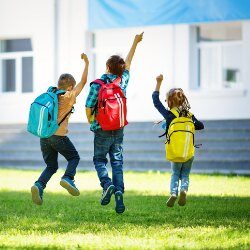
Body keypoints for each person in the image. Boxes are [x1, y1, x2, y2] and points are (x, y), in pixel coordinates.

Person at [85, 32, 144, 213]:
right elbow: (129, 63)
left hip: (101, 128)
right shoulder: (122, 82)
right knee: (117, 162)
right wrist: (135, 42)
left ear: (107, 67)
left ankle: (107, 184)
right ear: (120, 69)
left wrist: (91, 121)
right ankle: (119, 193)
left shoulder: (97, 84)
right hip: (118, 128)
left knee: (99, 160)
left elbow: (89, 106)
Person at [31, 53, 89, 205]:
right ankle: (68, 178)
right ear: (70, 87)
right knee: (74, 158)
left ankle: (39, 185)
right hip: (59, 136)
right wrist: (87, 63)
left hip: (44, 136)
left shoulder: (51, 94)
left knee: (51, 165)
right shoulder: (69, 96)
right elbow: (83, 82)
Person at [152, 74, 204, 207]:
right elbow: (200, 126)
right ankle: (184, 190)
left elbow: (156, 102)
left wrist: (158, 83)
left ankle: (173, 193)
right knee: (185, 174)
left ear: (169, 101)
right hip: (188, 152)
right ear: (183, 100)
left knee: (175, 173)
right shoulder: (189, 114)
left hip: (175, 152)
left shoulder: (170, 115)